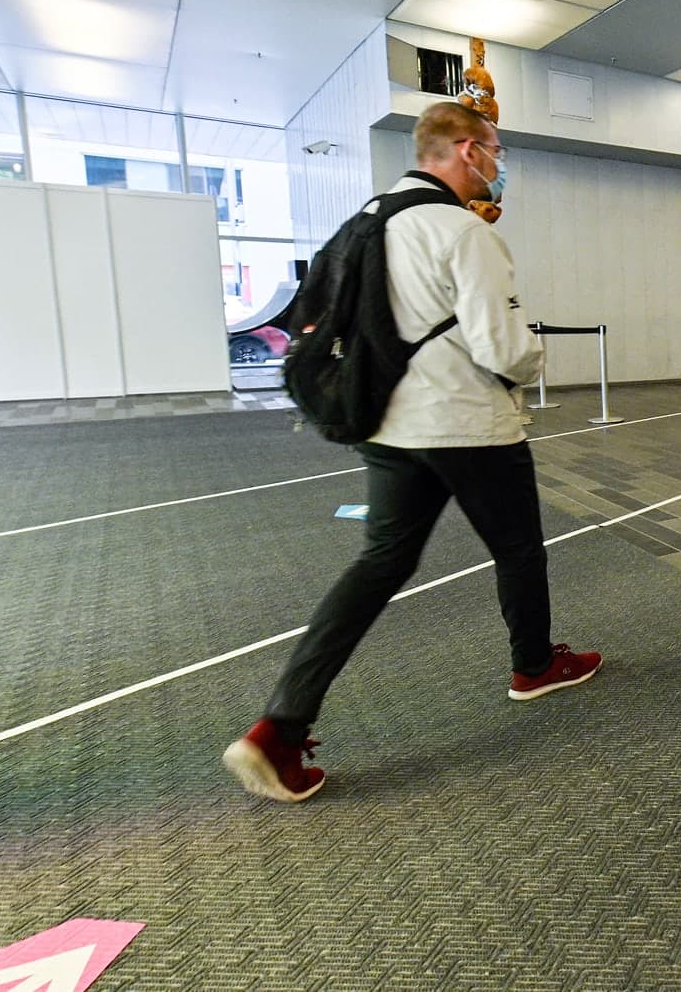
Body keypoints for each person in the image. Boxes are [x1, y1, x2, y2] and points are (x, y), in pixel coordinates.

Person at [224, 101, 600, 804]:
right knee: (518, 547)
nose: (498, 163)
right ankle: (532, 665)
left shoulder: (364, 220)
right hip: (467, 422)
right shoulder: (461, 231)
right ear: (464, 150)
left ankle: (280, 724)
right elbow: (503, 348)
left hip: (386, 424)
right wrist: (536, 355)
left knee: (380, 562)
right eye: (494, 148)